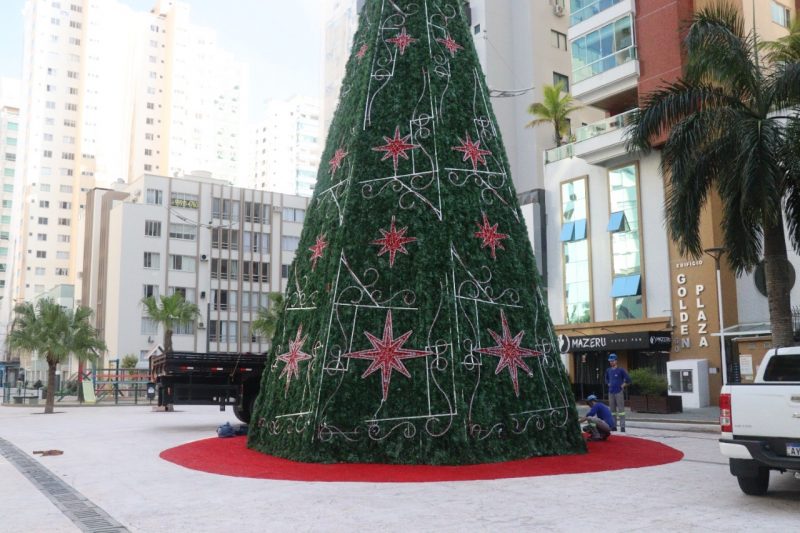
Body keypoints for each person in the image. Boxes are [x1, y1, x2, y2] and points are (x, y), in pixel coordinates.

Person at [605, 353, 631, 432]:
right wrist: (608, 383)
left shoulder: (621, 370)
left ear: (616, 361)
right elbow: (606, 379)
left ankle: (622, 427)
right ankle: (613, 426)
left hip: (619, 392)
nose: (611, 362)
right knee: (612, 411)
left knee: (621, 410)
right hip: (611, 392)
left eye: (612, 361)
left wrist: (622, 385)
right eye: (610, 361)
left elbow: (628, 380)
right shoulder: (608, 370)